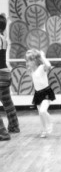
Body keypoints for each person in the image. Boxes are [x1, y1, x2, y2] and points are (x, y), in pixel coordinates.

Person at [25, 49, 55, 138]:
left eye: (29, 60)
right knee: (40, 114)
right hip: (38, 94)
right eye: (27, 60)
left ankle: (50, 123)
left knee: (43, 111)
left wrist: (42, 56)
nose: (28, 63)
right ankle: (44, 130)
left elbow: (48, 65)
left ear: (35, 60)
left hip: (46, 92)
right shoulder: (32, 71)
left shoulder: (42, 68)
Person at [0, 13, 20, 141]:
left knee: (7, 101)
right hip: (6, 73)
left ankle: (2, 133)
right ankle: (14, 126)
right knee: (7, 102)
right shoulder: (3, 38)